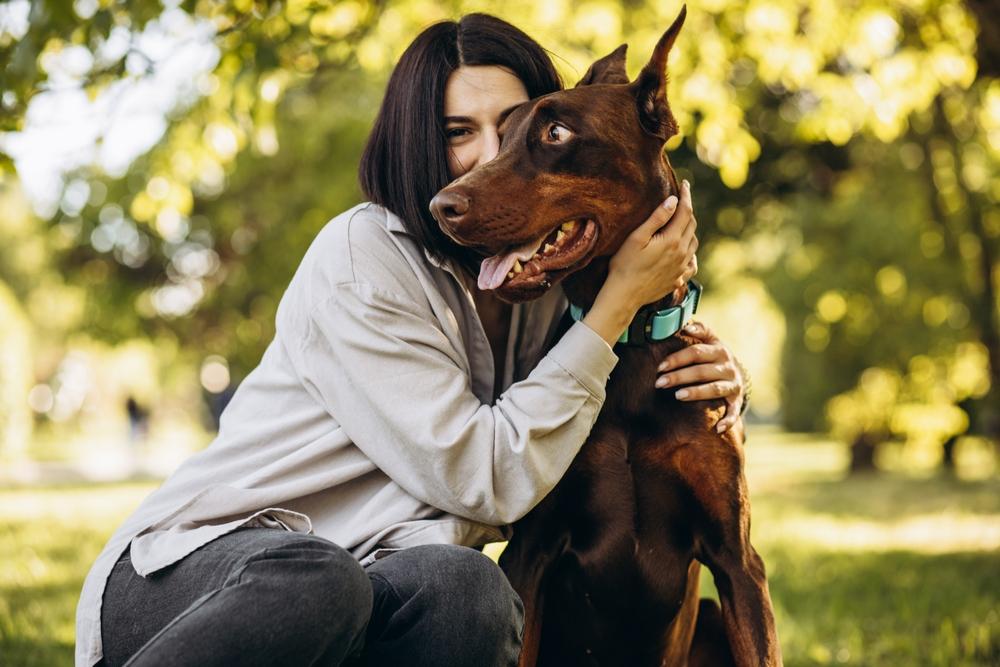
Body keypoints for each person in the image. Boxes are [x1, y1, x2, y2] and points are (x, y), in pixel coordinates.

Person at [76, 13, 748, 667]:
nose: (492, 155)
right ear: (417, 140)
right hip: (198, 576)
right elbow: (487, 477)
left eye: (514, 129)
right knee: (321, 580)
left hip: (368, 589)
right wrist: (616, 305)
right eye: (460, 132)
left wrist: (708, 368)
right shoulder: (360, 256)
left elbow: (600, 376)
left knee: (468, 591)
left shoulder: (537, 283)